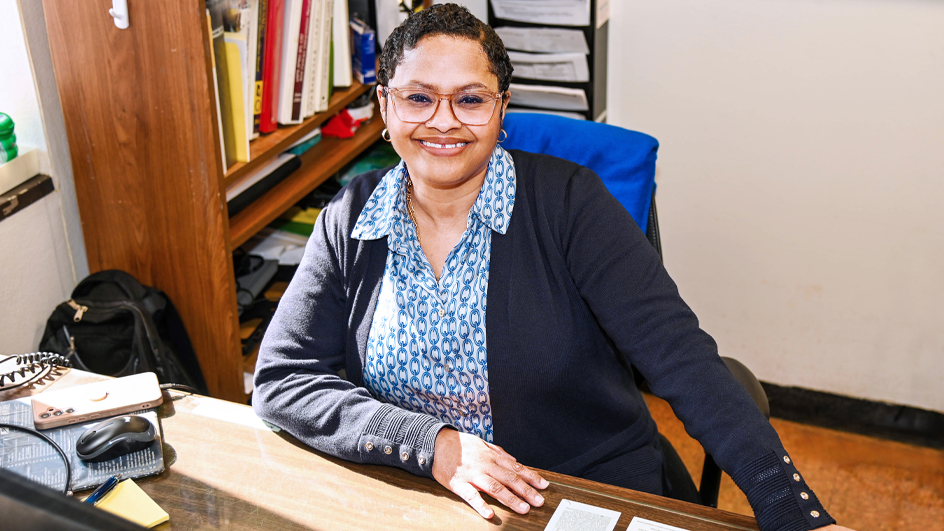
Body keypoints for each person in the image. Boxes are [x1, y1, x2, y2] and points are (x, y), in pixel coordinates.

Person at [253, 5, 854, 531]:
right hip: (415, 495)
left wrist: (793, 511)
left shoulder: (571, 204)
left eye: (470, 99)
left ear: (501, 107)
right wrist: (428, 444)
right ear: (386, 105)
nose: (443, 121)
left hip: (574, 494)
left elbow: (682, 357)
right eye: (418, 97)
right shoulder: (351, 216)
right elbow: (283, 379)